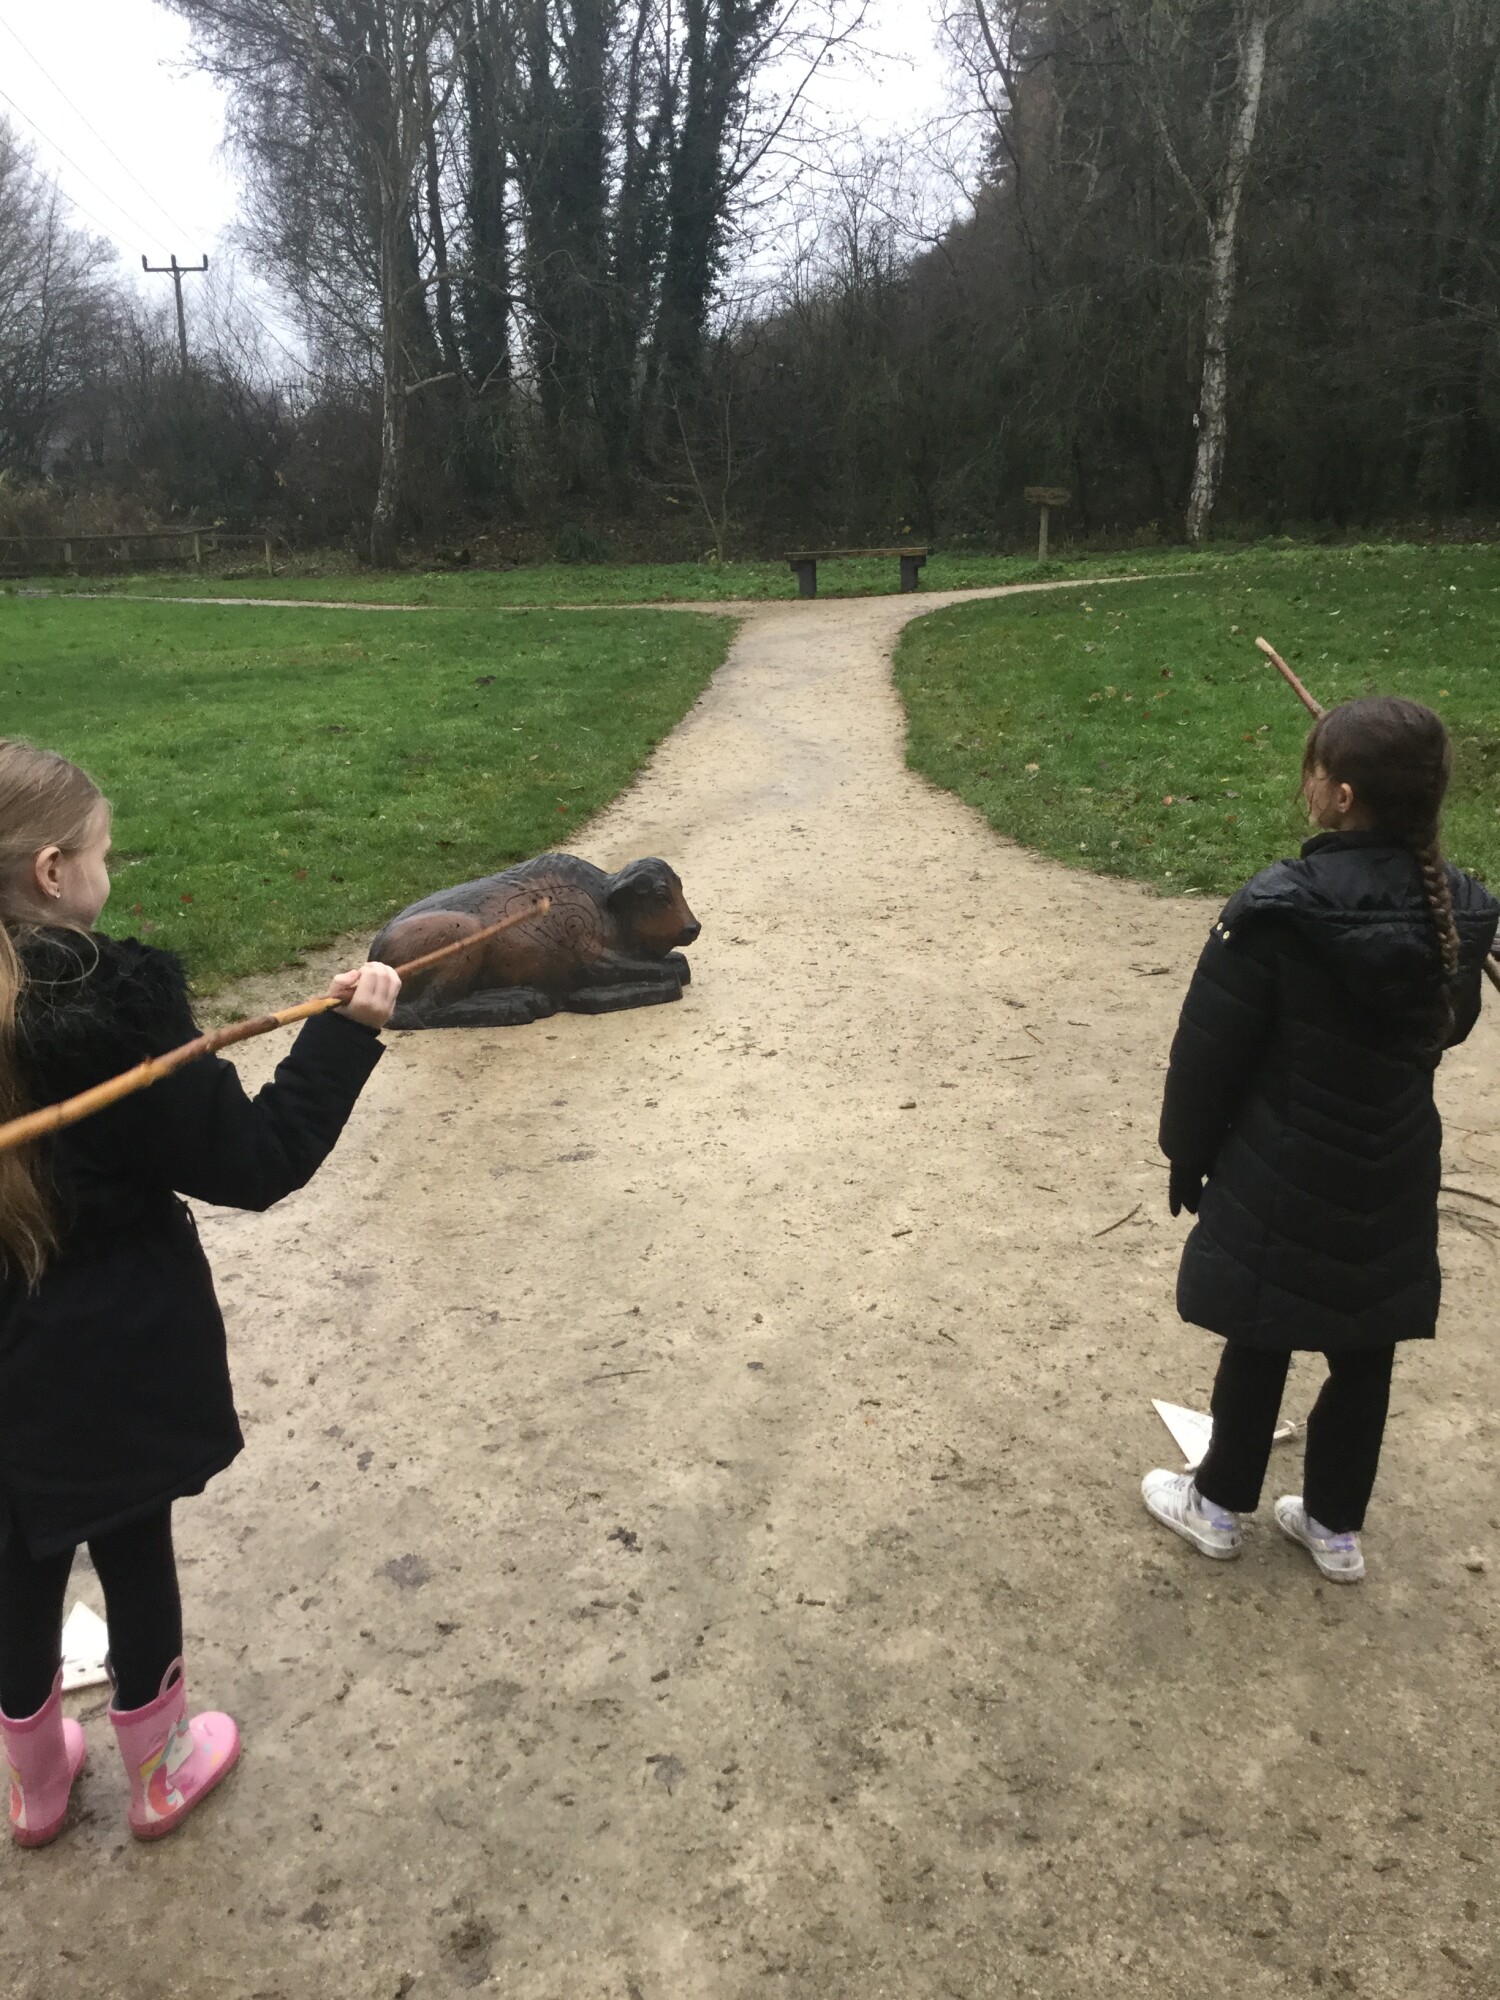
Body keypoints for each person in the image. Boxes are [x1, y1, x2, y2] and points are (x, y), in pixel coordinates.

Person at [0, 740, 399, 1846]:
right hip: (107, 1348)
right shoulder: (107, 1008)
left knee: (16, 1548)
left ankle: (37, 1784)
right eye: (102, 853)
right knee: (130, 1545)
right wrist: (347, 1033)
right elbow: (256, 1158)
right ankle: (161, 1769)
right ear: (51, 873)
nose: (108, 870)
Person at [1144, 696, 1499, 1583]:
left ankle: (1218, 1505)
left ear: (1340, 796)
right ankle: (1337, 1528)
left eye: (1314, 769)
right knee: (1366, 1341)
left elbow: (1210, 1050)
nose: (1305, 781)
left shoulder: (1278, 908)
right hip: (1394, 1164)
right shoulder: (1458, 908)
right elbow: (1449, 1028)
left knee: (1261, 1329)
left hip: (1280, 1161)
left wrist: (1187, 1152)